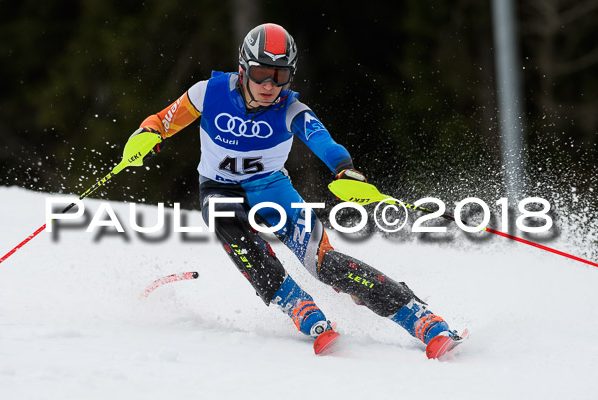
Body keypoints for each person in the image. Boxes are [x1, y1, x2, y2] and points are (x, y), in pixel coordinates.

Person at [129, 23, 463, 356]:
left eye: (280, 75)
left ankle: (421, 319)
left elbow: (325, 143)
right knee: (226, 220)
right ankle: (298, 306)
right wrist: (148, 134)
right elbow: (163, 121)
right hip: (218, 188)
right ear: (243, 67)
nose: (269, 85)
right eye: (261, 72)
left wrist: (345, 171)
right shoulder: (209, 92)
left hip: (271, 190)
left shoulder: (291, 109)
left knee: (325, 265)